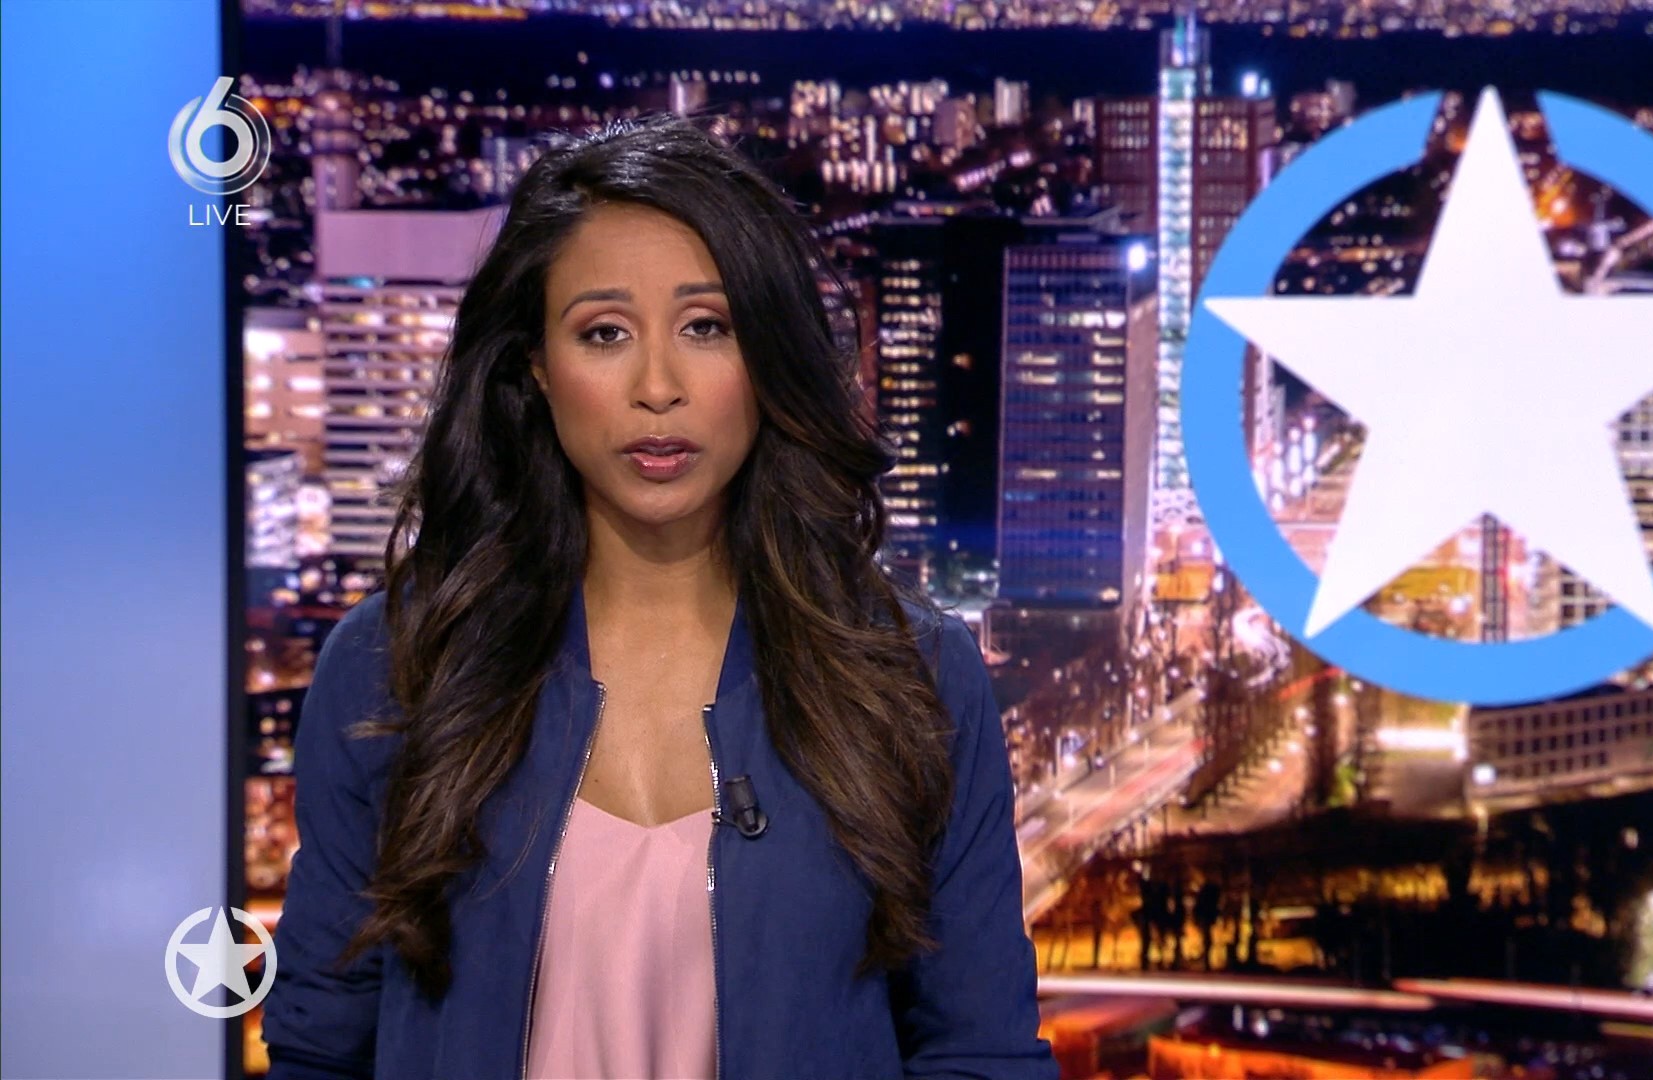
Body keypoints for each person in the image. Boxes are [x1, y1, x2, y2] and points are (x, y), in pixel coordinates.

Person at [261, 113, 1059, 1080]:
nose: (657, 386)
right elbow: (321, 1046)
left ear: (766, 356)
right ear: (536, 368)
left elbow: (979, 1051)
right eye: (604, 333)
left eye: (705, 328)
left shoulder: (912, 678)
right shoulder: (396, 667)